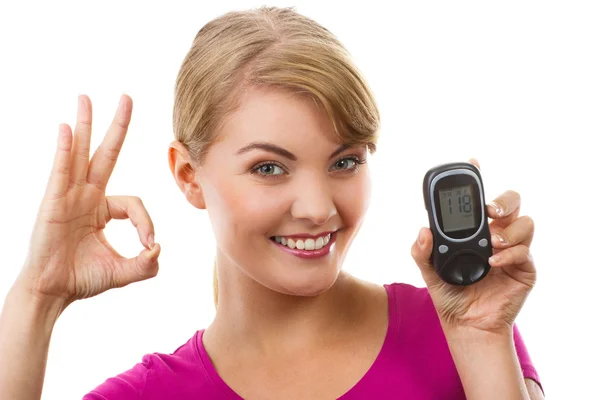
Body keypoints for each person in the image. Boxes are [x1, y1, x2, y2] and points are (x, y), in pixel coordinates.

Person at [0, 6, 545, 400]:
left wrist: (480, 341)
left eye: (345, 161)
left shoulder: (461, 329)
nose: (316, 207)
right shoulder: (149, 395)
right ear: (189, 176)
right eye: (269, 168)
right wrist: (37, 295)